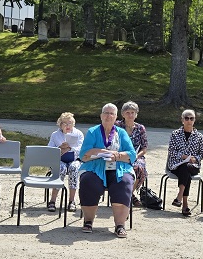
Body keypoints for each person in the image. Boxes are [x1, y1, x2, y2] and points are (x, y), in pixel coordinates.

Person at [77, 103, 137, 237]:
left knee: (124, 181)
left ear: (116, 117)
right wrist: (101, 152)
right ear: (101, 116)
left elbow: (132, 154)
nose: (108, 116)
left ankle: (120, 225)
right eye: (106, 113)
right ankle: (88, 221)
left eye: (112, 114)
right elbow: (83, 154)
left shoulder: (121, 132)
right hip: (95, 166)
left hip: (118, 166)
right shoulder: (93, 131)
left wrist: (118, 155)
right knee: (88, 181)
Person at [166, 109, 203, 216]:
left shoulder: (199, 136)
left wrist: (194, 158)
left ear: (194, 120)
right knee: (185, 168)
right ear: (182, 120)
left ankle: (180, 196)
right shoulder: (175, 134)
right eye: (186, 118)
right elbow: (171, 151)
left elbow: (202, 153)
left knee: (187, 167)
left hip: (193, 165)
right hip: (176, 165)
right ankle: (184, 205)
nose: (189, 120)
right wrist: (183, 156)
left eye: (191, 118)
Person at [47, 112, 83, 211]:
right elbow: (49, 149)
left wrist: (68, 148)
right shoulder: (55, 135)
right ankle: (53, 200)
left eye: (70, 123)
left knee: (74, 168)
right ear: (60, 124)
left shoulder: (78, 134)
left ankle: (71, 201)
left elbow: (81, 149)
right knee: (61, 168)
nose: (68, 126)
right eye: (65, 123)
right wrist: (60, 147)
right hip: (59, 160)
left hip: (74, 159)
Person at [118, 101, 149, 203]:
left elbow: (144, 148)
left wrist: (136, 156)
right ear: (123, 114)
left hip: (136, 155)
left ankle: (129, 193)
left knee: (138, 167)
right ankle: (122, 192)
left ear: (136, 114)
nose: (130, 115)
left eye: (133, 112)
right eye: (127, 112)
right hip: (120, 155)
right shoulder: (117, 126)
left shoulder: (141, 128)